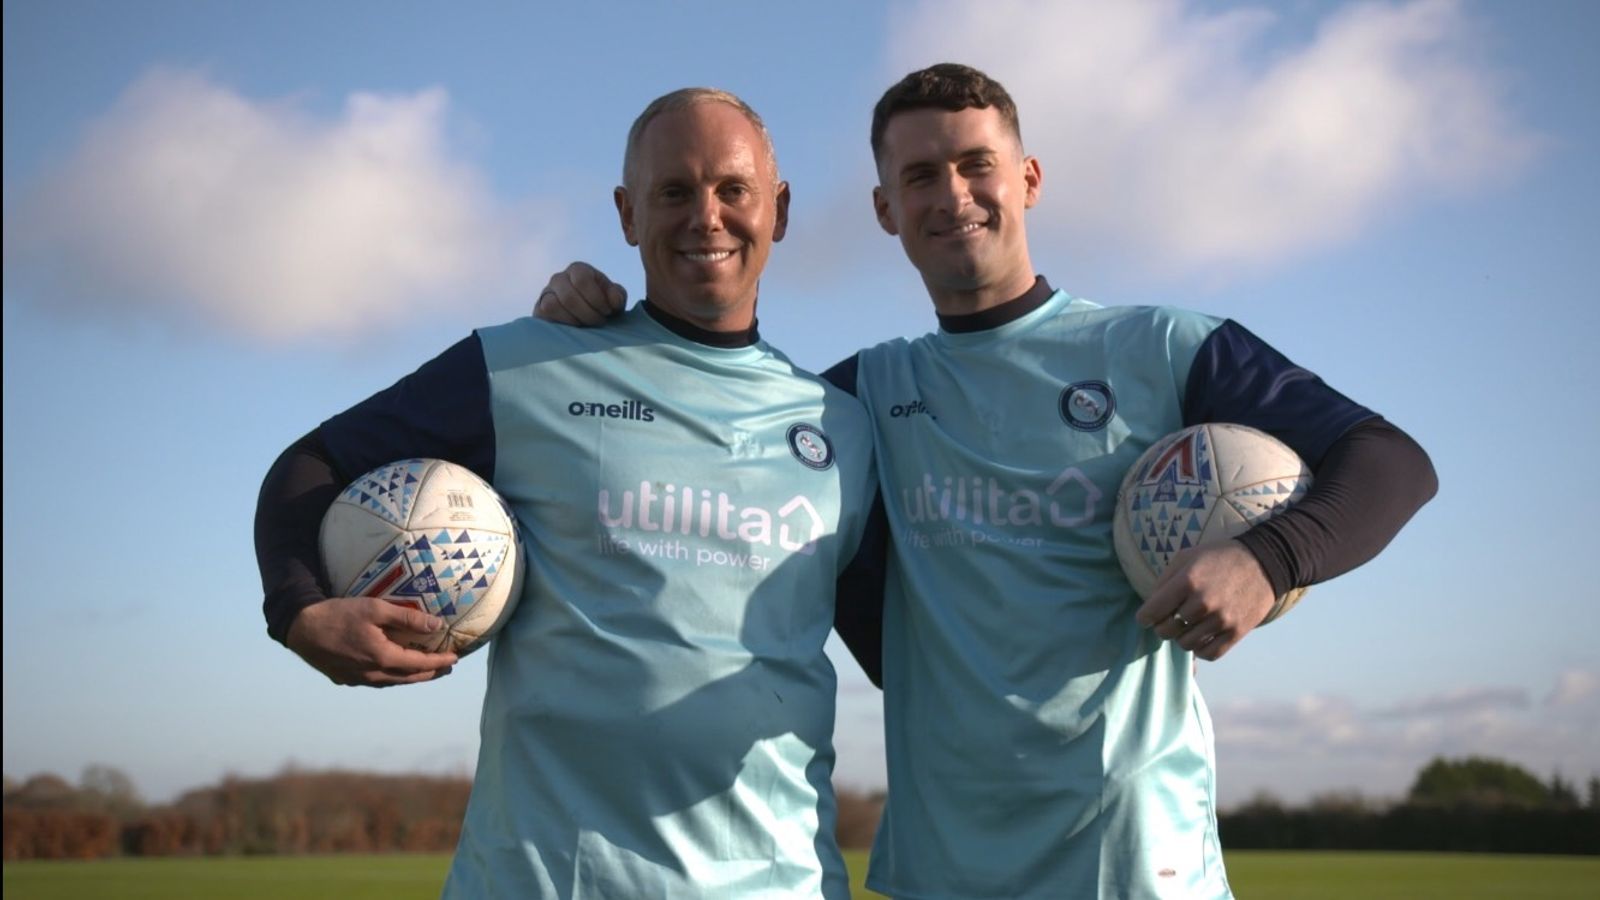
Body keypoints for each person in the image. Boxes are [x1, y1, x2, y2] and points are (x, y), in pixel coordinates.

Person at [533, 64, 1437, 898]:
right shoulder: (858, 397)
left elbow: (1393, 462)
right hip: (943, 867)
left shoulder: (1164, 347)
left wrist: (1267, 560)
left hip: (1134, 859)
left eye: (976, 165)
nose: (953, 195)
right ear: (885, 209)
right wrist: (589, 330)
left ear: (1029, 178)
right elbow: (713, 426)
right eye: (921, 176)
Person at [253, 87, 885, 898]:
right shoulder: (523, 367)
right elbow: (312, 462)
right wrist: (299, 610)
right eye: (673, 192)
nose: (707, 215)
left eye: (733, 189)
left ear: (781, 208)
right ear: (627, 214)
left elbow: (908, 655)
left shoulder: (843, 428)